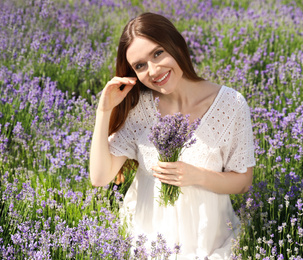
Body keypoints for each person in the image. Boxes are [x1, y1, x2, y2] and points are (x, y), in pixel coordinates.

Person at [89, 12, 255, 259]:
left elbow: (243, 181)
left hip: (206, 237)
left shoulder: (230, 104)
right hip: (148, 237)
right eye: (140, 66)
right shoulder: (140, 108)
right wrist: (104, 111)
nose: (154, 70)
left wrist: (197, 176)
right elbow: (100, 177)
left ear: (177, 45)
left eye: (158, 53)